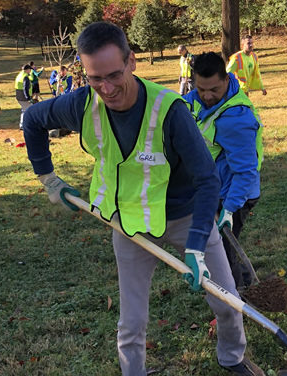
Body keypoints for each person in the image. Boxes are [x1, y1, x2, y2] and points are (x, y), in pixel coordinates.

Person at [22, 22, 264, 376]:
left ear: (132, 62)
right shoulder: (81, 104)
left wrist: (197, 246)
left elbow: (208, 180)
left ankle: (232, 358)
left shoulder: (170, 112)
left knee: (226, 300)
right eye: (94, 78)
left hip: (184, 217)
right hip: (130, 225)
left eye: (114, 75)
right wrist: (47, 177)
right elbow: (33, 121)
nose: (106, 88)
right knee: (131, 322)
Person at [183, 52, 263, 289]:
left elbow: (246, 172)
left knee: (222, 253)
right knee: (219, 247)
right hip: (214, 188)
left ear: (227, 80)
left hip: (235, 194)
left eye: (214, 90)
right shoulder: (196, 99)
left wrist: (229, 208)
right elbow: (186, 104)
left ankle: (235, 297)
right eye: (201, 89)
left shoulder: (237, 119)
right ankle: (242, 283)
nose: (207, 96)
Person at [15, 64, 33, 130]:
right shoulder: (25, 77)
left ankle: (22, 125)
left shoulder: (19, 75)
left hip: (19, 96)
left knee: (24, 110)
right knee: (29, 110)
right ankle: (24, 125)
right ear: (27, 70)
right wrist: (28, 98)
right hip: (24, 97)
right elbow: (25, 88)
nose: (30, 71)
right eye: (30, 69)